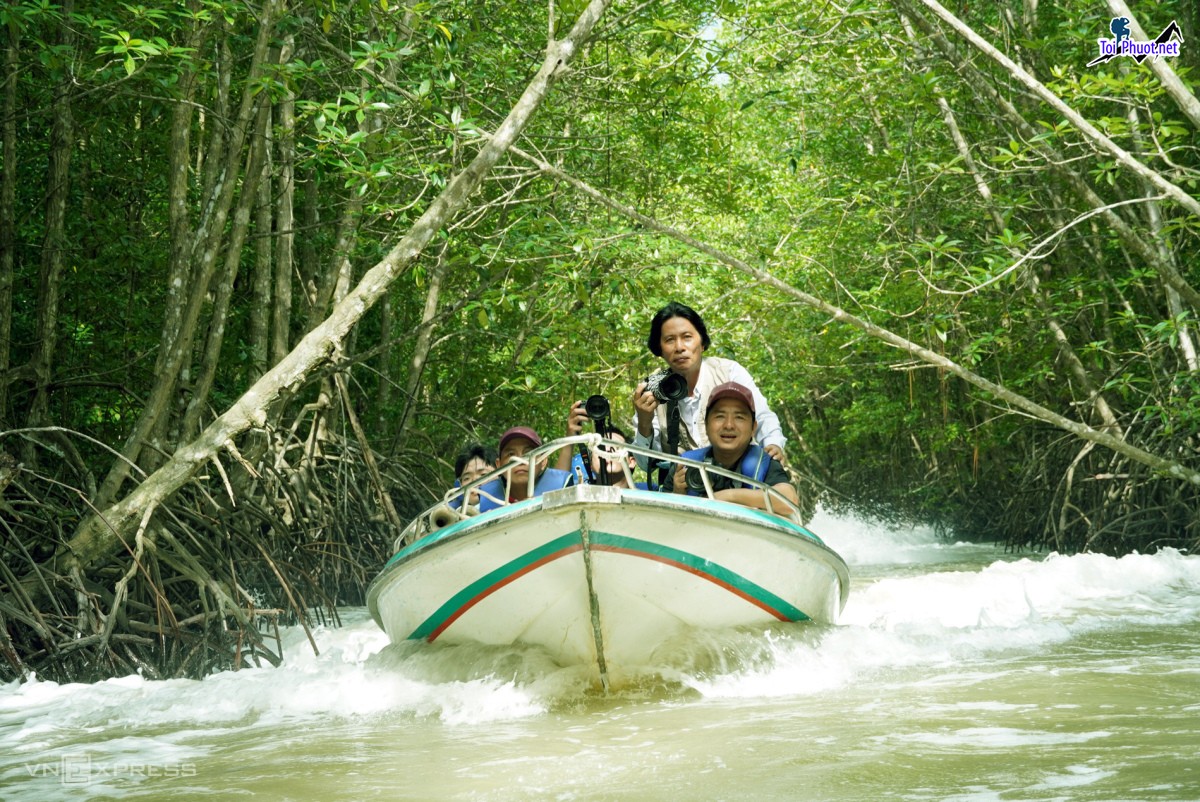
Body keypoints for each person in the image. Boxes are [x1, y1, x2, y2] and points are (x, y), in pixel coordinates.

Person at [631, 302, 787, 473]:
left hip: (740, 477)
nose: (679, 347)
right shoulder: (655, 391)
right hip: (688, 490)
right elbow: (646, 465)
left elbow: (763, 415)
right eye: (669, 340)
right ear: (659, 349)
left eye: (687, 337)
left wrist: (773, 444)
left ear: (702, 343)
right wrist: (644, 422)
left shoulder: (728, 372)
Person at [663, 381, 798, 512]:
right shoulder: (683, 466)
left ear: (753, 428)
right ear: (706, 425)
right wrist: (678, 493)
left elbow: (789, 500)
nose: (729, 425)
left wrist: (726, 496)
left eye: (739, 417)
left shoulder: (767, 464)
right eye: (720, 416)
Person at [476, 426, 573, 511]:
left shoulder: (566, 496)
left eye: (528, 454)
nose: (520, 461)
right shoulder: (479, 508)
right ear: (499, 465)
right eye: (511, 454)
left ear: (543, 461)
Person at [451, 442, 496, 508]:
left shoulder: (514, 502)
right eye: (467, 478)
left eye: (483, 474)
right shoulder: (457, 515)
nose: (474, 481)